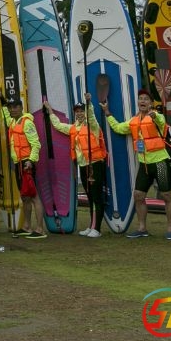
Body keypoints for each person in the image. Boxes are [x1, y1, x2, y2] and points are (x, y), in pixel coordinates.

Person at [103, 90, 171, 239]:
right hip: (144, 164)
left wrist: (154, 115)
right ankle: (142, 228)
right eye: (140, 99)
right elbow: (118, 128)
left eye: (145, 99)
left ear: (151, 103)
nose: (142, 101)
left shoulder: (157, 116)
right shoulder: (134, 121)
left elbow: (160, 120)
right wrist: (107, 112)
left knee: (166, 195)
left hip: (160, 162)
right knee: (138, 195)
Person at [46, 95, 106, 238]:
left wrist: (89, 103)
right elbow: (58, 125)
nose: (79, 113)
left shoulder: (92, 126)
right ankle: (91, 226)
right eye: (77, 111)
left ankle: (97, 229)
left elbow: (91, 117)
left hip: (94, 164)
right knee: (90, 197)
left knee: (96, 197)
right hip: (83, 166)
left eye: (81, 111)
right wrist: (50, 111)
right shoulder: (73, 128)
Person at [6, 97, 46, 240]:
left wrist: (31, 161)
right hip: (18, 163)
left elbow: (36, 144)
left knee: (34, 196)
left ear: (21, 107)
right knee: (25, 197)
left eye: (15, 107)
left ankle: (40, 229)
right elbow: (6, 116)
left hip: (26, 164)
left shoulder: (27, 123)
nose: (12, 110)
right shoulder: (13, 122)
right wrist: (3, 102)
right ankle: (27, 226)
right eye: (10, 107)